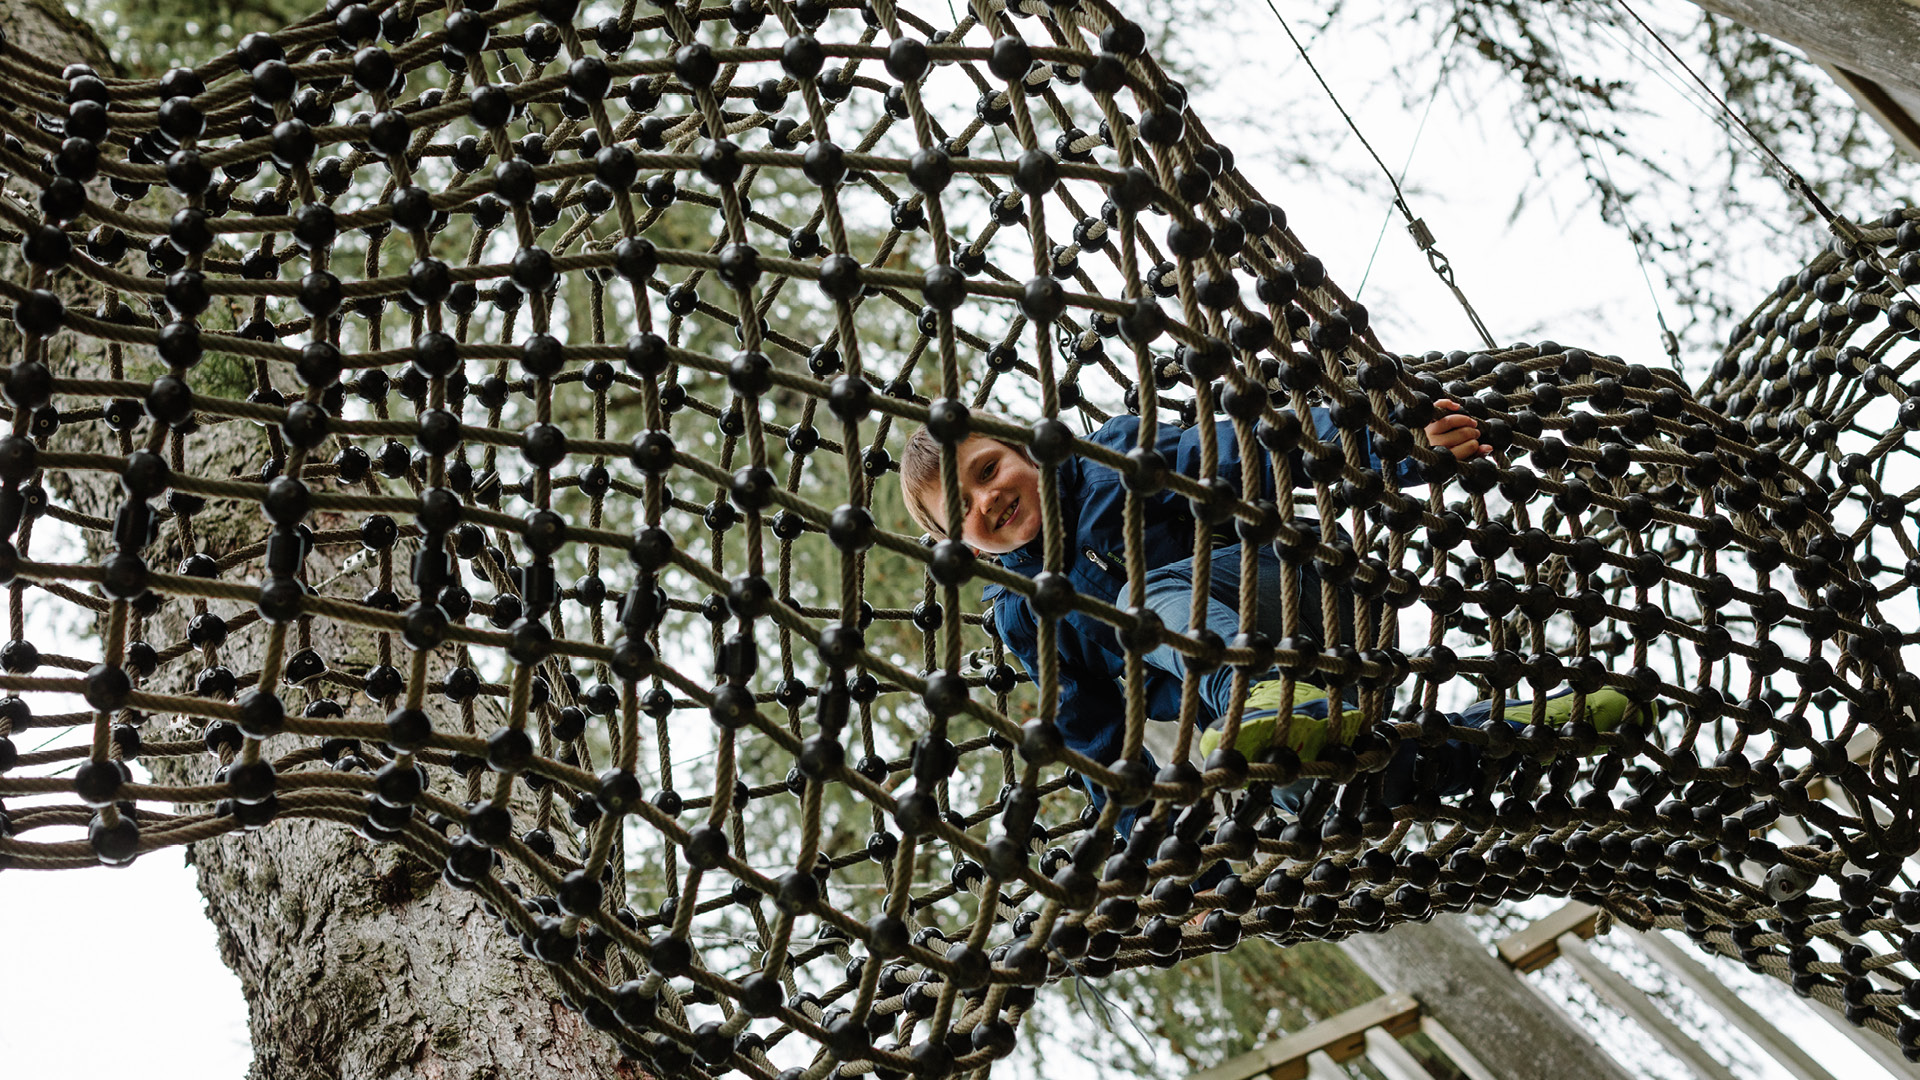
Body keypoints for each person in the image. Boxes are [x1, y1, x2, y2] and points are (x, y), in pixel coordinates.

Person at [897, 397, 1641, 818]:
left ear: (1029, 451)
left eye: (989, 468)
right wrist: (1142, 855)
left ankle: (1261, 692)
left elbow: (1251, 448)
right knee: (1295, 792)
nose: (988, 498)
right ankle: (1506, 734)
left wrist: (1396, 446)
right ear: (956, 542)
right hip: (1311, 696)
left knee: (1137, 603)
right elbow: (1091, 735)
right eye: (962, 506)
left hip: (1314, 592)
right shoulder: (1026, 616)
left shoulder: (1112, 467)